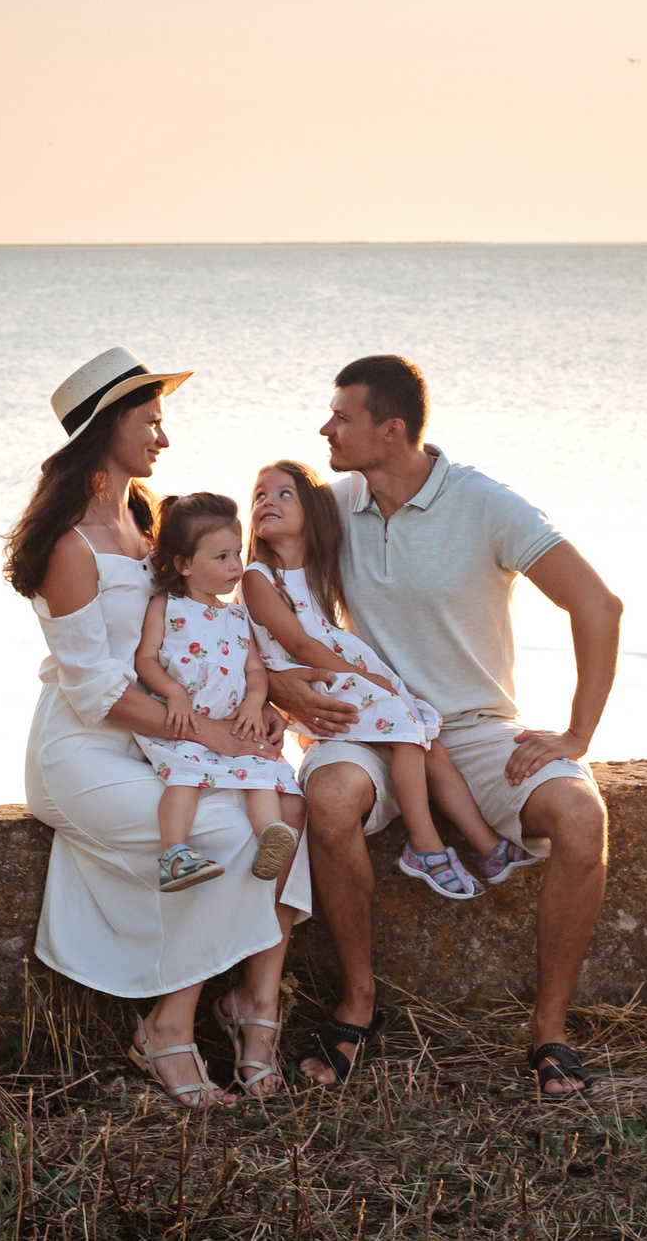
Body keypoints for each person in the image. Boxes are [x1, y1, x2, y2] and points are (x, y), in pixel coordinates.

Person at [267, 355, 621, 1101]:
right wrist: (279, 685)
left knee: (583, 819)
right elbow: (258, 603)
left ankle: (548, 1029)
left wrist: (576, 735)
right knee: (327, 800)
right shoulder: (329, 507)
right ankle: (357, 1003)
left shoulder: (485, 503)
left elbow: (598, 604)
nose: (325, 428)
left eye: (342, 417)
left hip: (479, 728)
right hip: (370, 724)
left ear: (391, 430)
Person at [7, 348, 307, 1106]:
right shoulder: (68, 546)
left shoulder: (148, 520)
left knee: (289, 806)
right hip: (85, 751)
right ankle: (168, 1029)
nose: (163, 438)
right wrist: (209, 733)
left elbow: (197, 629)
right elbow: (96, 686)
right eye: (152, 420)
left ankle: (255, 1007)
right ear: (108, 426)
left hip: (166, 738)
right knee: (230, 834)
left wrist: (254, 702)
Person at [242, 459, 531, 902]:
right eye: (260, 495)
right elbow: (299, 646)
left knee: (426, 736)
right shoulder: (259, 577)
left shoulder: (321, 571)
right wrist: (364, 676)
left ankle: (487, 846)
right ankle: (425, 845)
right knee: (407, 732)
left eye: (284, 494)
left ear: (312, 514)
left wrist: (368, 675)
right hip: (319, 676)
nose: (267, 502)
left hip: (341, 670)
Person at [132, 491, 301, 892]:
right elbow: (145, 661)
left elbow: (254, 670)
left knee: (263, 772)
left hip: (232, 722)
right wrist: (173, 692)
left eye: (237, 554)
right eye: (221, 557)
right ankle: (174, 853)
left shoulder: (237, 615)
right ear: (184, 564)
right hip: (186, 722)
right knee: (186, 777)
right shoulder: (167, 607)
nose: (235, 566)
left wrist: (255, 702)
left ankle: (270, 837)